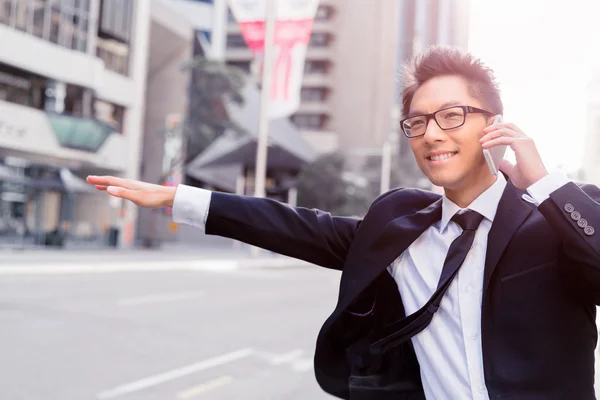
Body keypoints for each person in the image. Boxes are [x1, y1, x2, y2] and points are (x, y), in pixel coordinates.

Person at [87, 46, 600, 400]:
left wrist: (545, 183)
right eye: (417, 122)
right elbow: (293, 225)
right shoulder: (401, 226)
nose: (431, 134)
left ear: (494, 123)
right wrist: (179, 198)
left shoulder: (556, 218)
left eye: (452, 115)